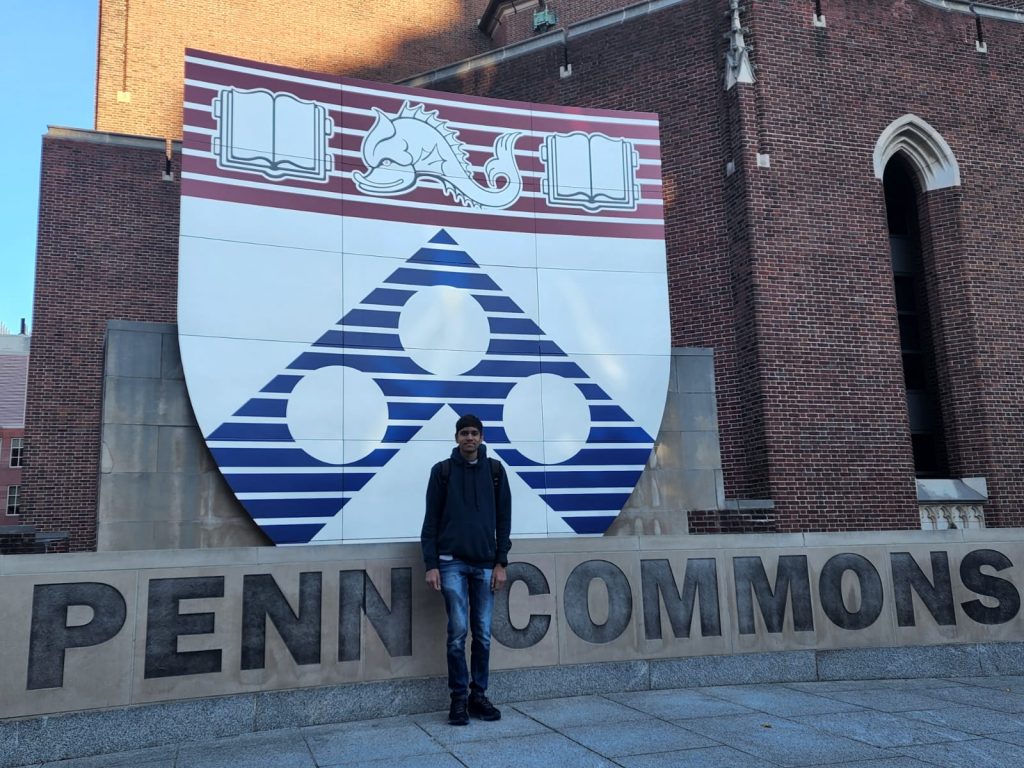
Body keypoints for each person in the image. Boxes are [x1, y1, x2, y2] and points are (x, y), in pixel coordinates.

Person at [421, 413, 512, 726]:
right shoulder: (442, 472)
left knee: (483, 634)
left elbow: (504, 521)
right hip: (451, 564)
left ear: (482, 437)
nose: (469, 438)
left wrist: (501, 562)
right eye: (464, 433)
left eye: (474, 433)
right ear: (456, 438)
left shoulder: (495, 471)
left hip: (486, 564)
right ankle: (458, 699)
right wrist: (431, 565)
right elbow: (430, 522)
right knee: (457, 633)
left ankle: (478, 696)